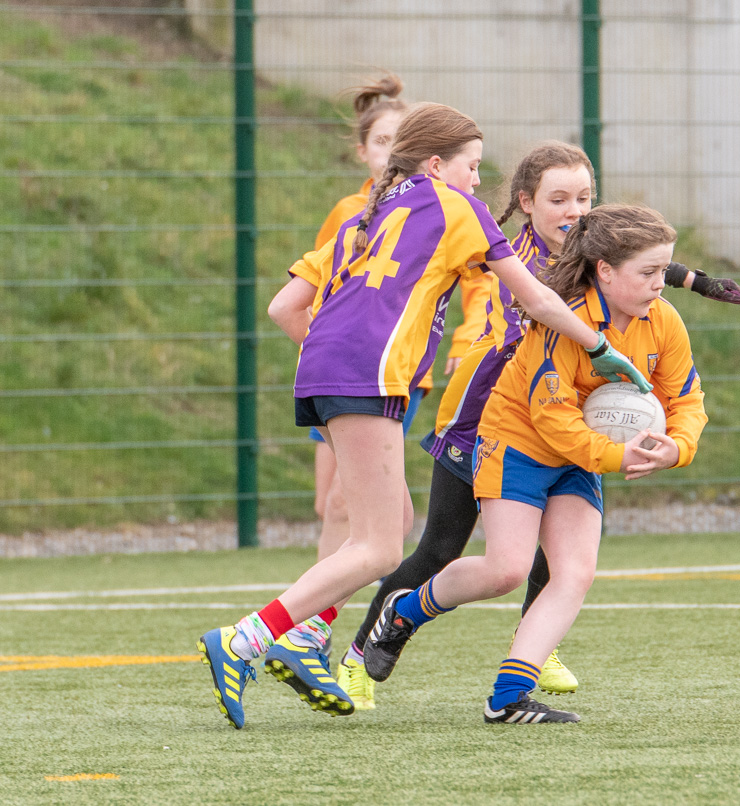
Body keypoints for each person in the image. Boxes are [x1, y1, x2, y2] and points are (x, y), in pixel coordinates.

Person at [198, 103, 651, 730]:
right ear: (439, 165)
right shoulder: (454, 208)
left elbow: (285, 306)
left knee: (392, 525)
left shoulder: (366, 211)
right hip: (370, 378)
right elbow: (539, 298)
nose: (476, 179)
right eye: (472, 166)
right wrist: (602, 349)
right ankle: (252, 637)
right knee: (381, 544)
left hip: (334, 372)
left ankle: (303, 635)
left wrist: (333, 356)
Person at [335, 142, 740, 710]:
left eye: (585, 198)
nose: (575, 210)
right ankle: (364, 653)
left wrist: (695, 280)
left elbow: (637, 259)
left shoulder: (621, 277)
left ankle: (528, 660)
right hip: (485, 415)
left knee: (562, 563)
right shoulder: (509, 256)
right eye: (559, 199)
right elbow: (609, 272)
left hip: (573, 424)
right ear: (525, 203)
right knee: (445, 547)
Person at [262, 76, 491, 711]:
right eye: (380, 139)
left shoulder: (440, 210)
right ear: (366, 149)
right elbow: (311, 298)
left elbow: (475, 287)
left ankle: (307, 630)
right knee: (339, 505)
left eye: (399, 137)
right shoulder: (353, 213)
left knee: (383, 517)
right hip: (354, 372)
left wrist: (470, 340)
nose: (390, 148)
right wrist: (337, 357)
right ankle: (299, 631)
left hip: (398, 378)